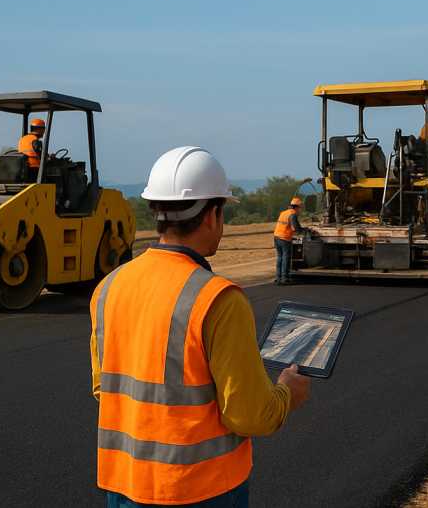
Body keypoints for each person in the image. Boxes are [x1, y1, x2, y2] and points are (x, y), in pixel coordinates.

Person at [90, 146, 310, 507]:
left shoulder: (109, 287)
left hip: (125, 483)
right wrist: (288, 393)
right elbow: (251, 415)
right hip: (200, 489)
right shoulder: (218, 299)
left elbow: (104, 388)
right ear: (212, 215)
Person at [273, 196, 303, 285]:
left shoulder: (284, 213)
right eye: (300, 208)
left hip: (276, 236)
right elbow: (296, 228)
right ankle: (284, 278)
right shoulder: (293, 214)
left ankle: (278, 278)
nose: (300, 210)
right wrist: (305, 230)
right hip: (284, 238)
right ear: (297, 207)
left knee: (280, 257)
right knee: (286, 258)